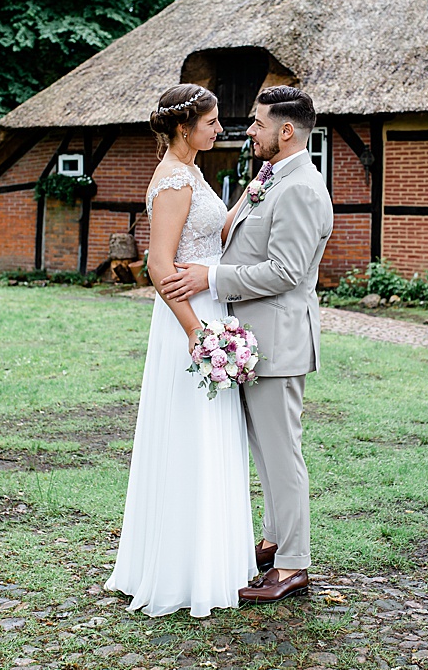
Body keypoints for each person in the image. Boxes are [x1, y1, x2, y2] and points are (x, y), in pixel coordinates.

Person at [161, 85, 333, 603]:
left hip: (278, 339)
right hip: (252, 339)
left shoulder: (302, 187)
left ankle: (294, 565)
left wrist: (210, 278)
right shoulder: (269, 177)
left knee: (283, 453)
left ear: (286, 131)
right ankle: (276, 540)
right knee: (264, 449)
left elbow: (286, 271)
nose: (248, 131)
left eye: (257, 124)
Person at [104, 84, 257, 617]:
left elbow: (213, 233)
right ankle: (181, 570)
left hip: (210, 310)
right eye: (211, 122)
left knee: (212, 434)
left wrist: (253, 193)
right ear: (183, 128)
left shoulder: (192, 172)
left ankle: (212, 560)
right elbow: (159, 263)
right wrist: (196, 331)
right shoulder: (171, 180)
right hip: (187, 323)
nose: (220, 129)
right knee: (190, 435)